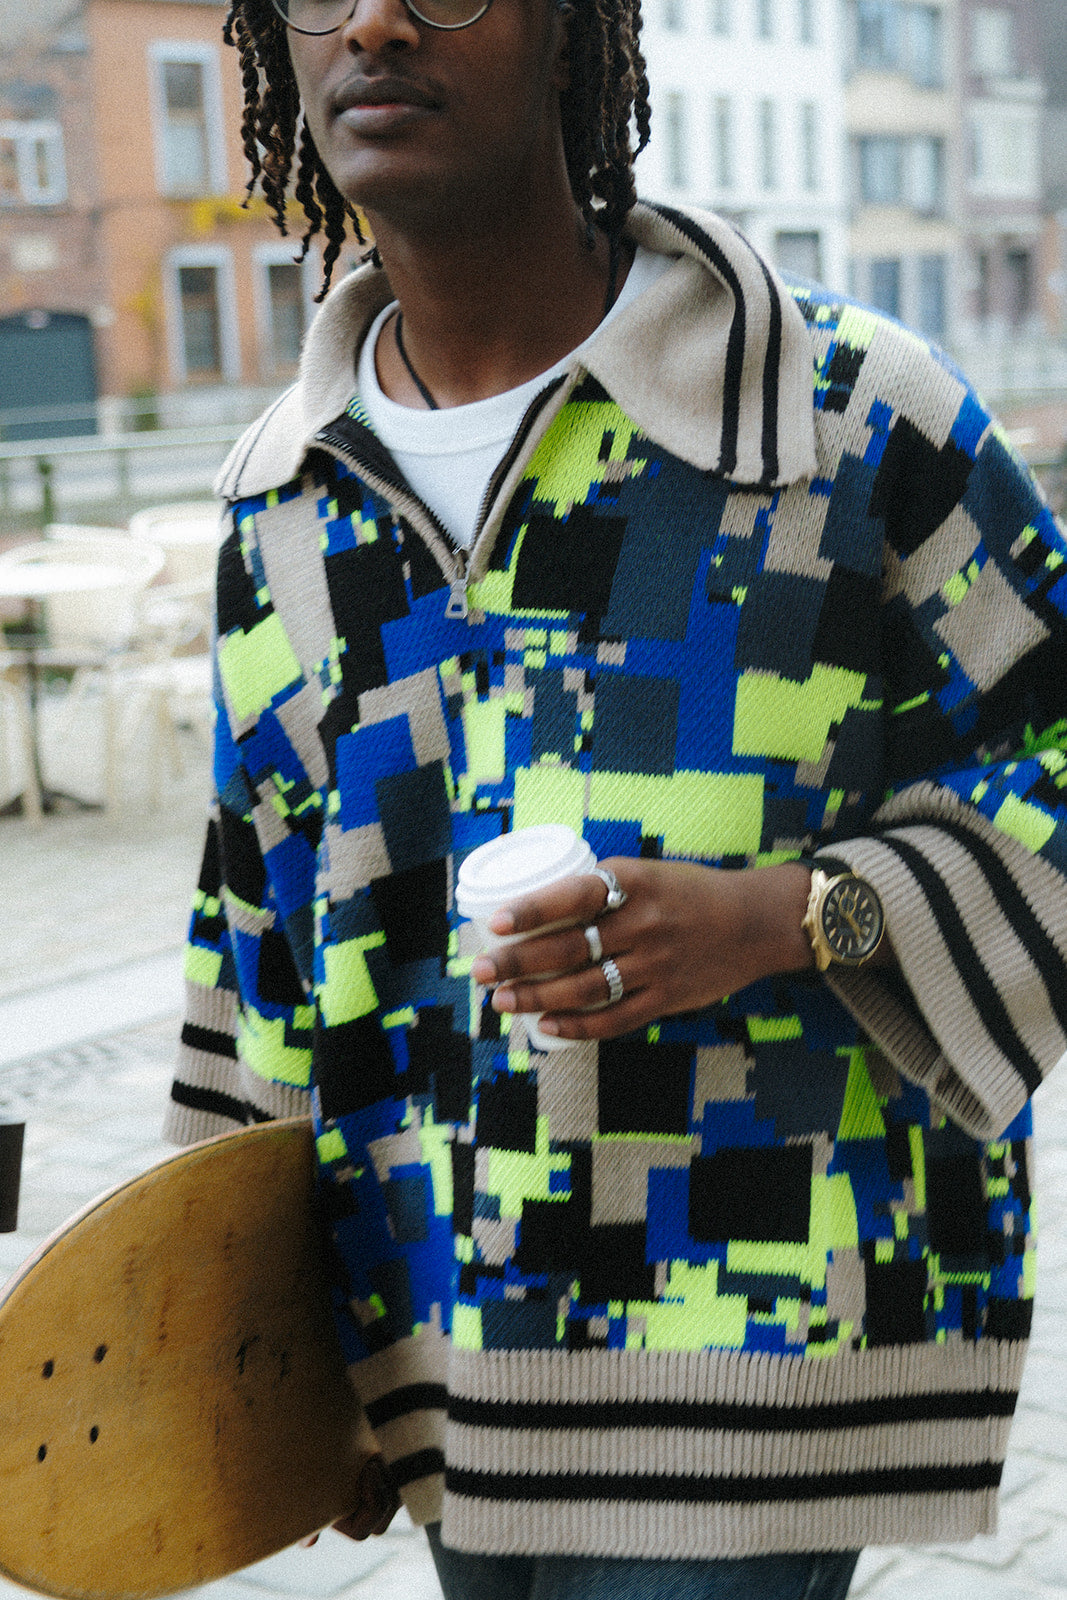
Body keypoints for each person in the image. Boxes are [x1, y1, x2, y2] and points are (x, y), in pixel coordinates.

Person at [165, 0, 1067, 1592]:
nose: (374, 20)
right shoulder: (278, 500)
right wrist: (261, 1358)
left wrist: (792, 915)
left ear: (577, 28)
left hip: (750, 1357)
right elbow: (257, 945)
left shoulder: (847, 417)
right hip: (438, 1365)